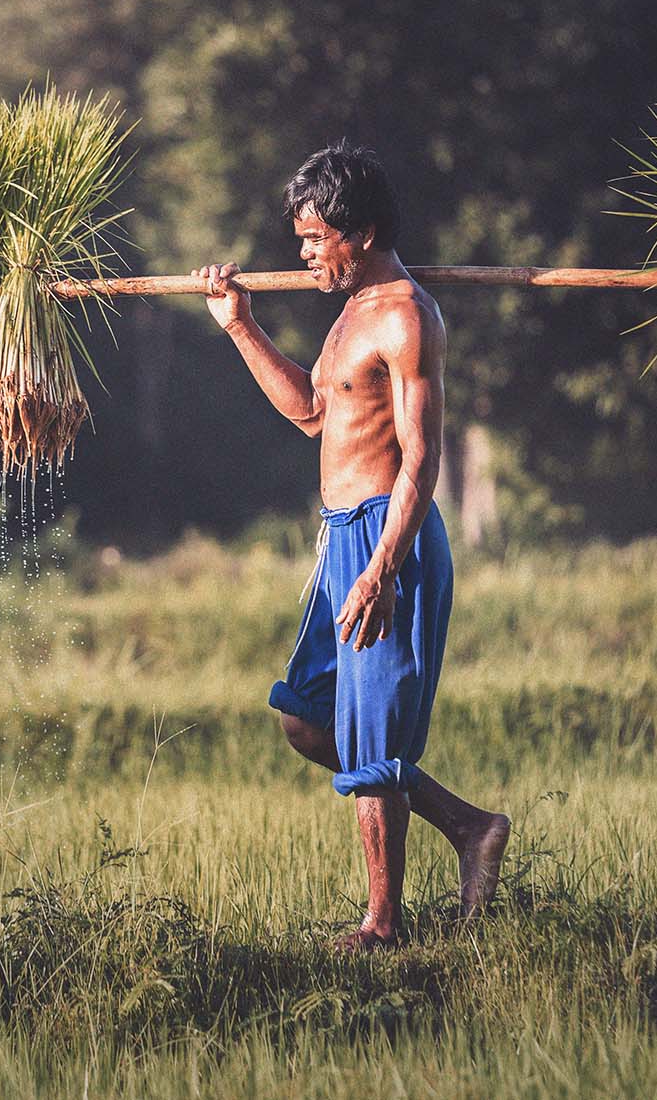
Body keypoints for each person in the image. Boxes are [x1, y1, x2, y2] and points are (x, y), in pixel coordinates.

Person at [198, 142, 509, 950]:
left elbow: (422, 459)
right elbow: (311, 411)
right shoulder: (350, 313)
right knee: (306, 718)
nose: (304, 256)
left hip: (385, 536)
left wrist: (382, 567)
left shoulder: (405, 315)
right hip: (341, 539)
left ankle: (383, 924)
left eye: (315, 239)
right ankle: (471, 829)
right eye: (301, 240)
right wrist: (241, 327)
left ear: (361, 233)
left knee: (372, 740)